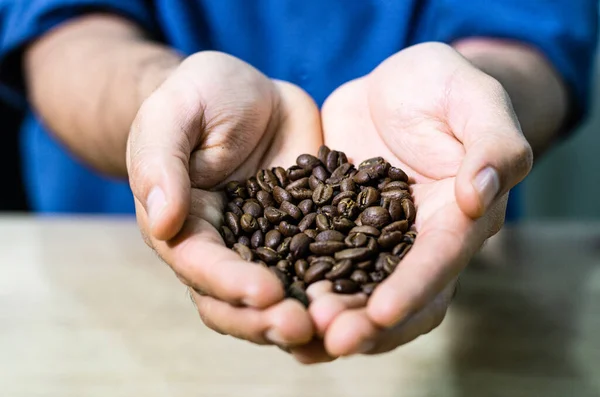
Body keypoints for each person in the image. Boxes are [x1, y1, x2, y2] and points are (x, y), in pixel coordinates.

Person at [0, 1, 597, 364]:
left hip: (474, 291)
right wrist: (159, 101)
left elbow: (527, 31)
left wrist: (475, 99)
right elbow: (60, 31)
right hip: (106, 285)